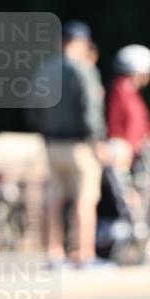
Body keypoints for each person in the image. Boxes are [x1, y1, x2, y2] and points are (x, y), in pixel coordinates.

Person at [32, 20, 109, 267]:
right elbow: (90, 109)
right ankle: (83, 254)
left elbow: (33, 108)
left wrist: (45, 131)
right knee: (84, 198)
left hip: (52, 143)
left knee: (54, 199)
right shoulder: (83, 69)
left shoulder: (45, 69)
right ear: (81, 43)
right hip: (79, 144)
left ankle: (53, 252)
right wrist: (97, 139)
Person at [106, 44, 150, 171]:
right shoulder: (123, 91)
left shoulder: (124, 89)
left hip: (128, 152)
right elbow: (132, 122)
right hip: (124, 154)